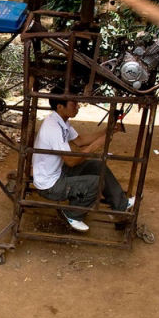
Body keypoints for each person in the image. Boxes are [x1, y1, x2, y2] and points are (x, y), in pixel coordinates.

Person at [32, 88, 135, 232]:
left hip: (58, 172)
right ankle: (73, 214)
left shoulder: (61, 121)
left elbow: (80, 141)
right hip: (50, 185)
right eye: (73, 104)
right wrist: (97, 145)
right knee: (96, 182)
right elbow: (71, 161)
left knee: (98, 166)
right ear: (60, 107)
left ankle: (120, 204)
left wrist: (108, 130)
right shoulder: (53, 128)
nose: (78, 106)